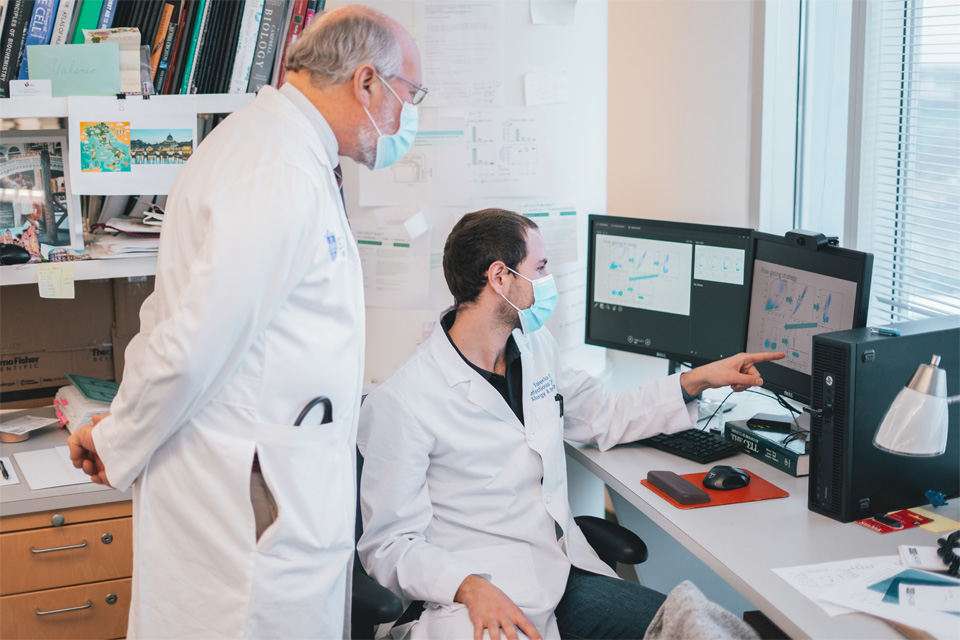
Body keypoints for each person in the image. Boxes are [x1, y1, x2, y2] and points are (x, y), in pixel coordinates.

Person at [66, 6, 425, 638]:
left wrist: (119, 426)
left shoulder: (281, 151)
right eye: (409, 96)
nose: (408, 119)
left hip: (264, 488)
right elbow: (190, 345)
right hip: (249, 512)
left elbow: (174, 320)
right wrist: (118, 437)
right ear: (367, 83)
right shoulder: (278, 170)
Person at [357, 209, 785, 640]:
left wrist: (698, 379)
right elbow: (388, 546)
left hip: (559, 574)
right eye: (540, 267)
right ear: (499, 278)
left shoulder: (534, 346)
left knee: (699, 628)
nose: (549, 278)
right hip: (472, 597)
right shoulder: (402, 399)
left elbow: (606, 414)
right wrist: (468, 586)